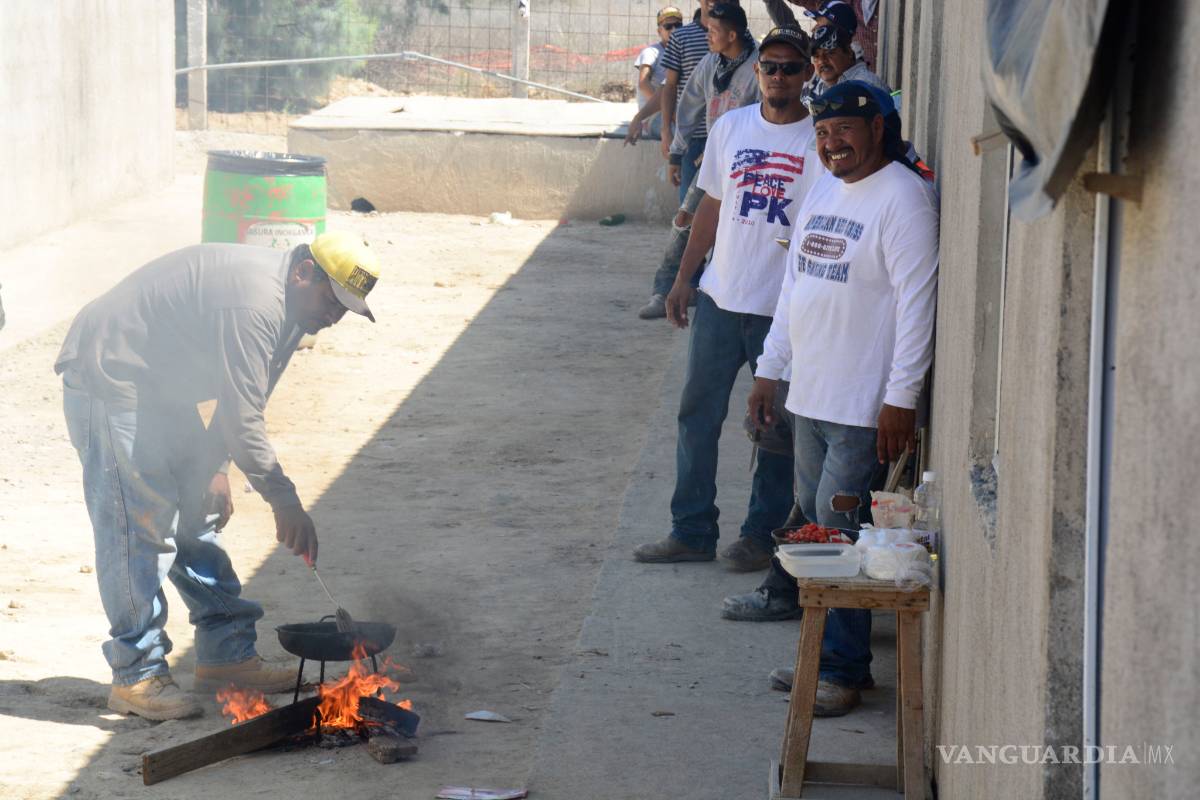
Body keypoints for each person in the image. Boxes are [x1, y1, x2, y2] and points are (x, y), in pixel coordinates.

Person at [55, 232, 381, 720]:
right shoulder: (254, 304)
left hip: (163, 388)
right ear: (303, 273)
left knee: (197, 516)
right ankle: (136, 674)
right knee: (139, 527)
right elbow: (243, 421)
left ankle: (226, 656)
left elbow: (244, 401)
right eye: (331, 301)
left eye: (344, 309)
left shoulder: (296, 311)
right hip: (113, 375)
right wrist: (285, 501)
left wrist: (215, 468)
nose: (334, 317)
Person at [747, 81, 940, 716]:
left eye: (845, 132)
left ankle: (840, 672)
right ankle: (830, 658)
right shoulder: (825, 188)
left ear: (878, 129)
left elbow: (918, 307)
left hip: (862, 407)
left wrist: (901, 398)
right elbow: (794, 287)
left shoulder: (905, 200)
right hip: (810, 396)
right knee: (820, 536)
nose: (832, 144)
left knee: (842, 539)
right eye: (823, 134)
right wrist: (770, 371)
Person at [633, 25, 824, 572]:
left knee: (775, 431)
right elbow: (711, 207)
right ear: (758, 72)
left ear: (808, 73)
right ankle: (690, 530)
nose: (779, 76)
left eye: (791, 67)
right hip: (721, 297)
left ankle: (759, 537)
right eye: (771, 66)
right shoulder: (731, 128)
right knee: (697, 416)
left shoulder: (819, 139)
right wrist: (682, 278)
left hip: (782, 310)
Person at [638, 2, 762, 320]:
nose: (708, 36)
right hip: (707, 152)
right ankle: (664, 290)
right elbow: (690, 106)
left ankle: (716, 292)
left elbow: (762, 117)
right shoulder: (710, 63)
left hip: (748, 159)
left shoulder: (759, 66)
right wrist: (677, 152)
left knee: (734, 228)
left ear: (732, 34)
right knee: (684, 221)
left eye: (714, 31)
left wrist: (733, 148)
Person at [801, 2, 887, 106]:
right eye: (816, 56)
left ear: (849, 52)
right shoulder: (829, 81)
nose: (821, 61)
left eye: (829, 53)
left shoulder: (865, 86)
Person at [634, 7, 685, 141]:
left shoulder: (682, 51)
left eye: (678, 25)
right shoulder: (651, 52)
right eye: (668, 26)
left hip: (676, 112)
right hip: (654, 116)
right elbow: (643, 83)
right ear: (659, 31)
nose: (674, 30)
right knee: (682, 136)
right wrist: (667, 108)